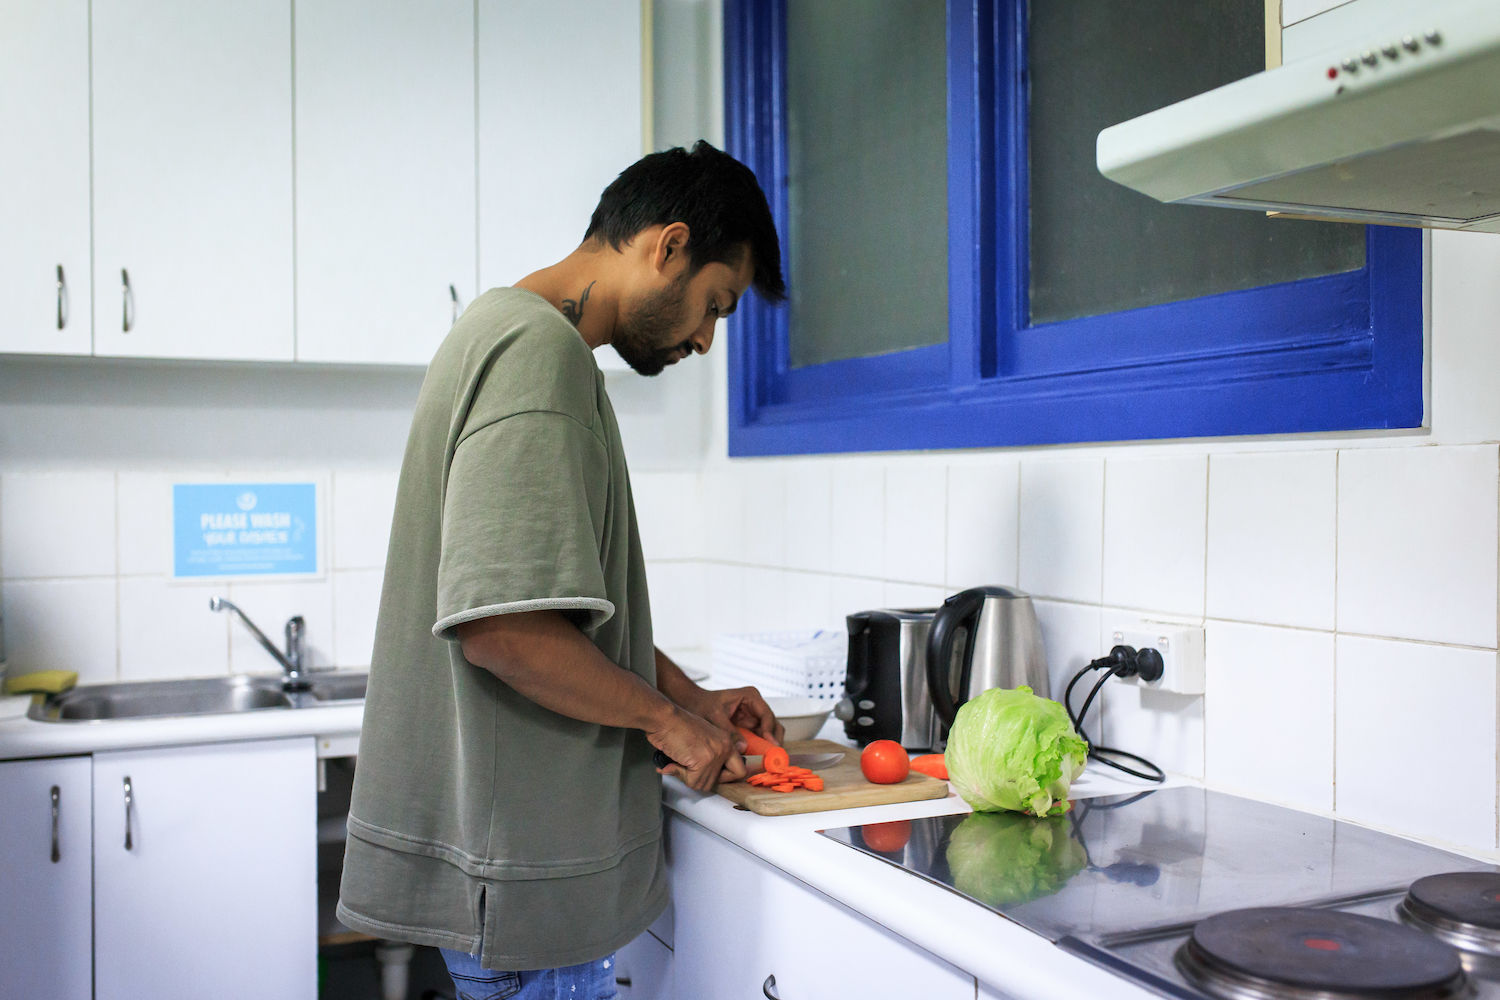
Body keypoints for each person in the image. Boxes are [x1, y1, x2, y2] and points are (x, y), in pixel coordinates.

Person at [336, 141, 789, 999]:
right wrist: (667, 722)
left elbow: (560, 614)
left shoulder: (507, 332)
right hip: (526, 896)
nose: (703, 338)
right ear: (669, 246)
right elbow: (504, 631)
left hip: (516, 887)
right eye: (714, 305)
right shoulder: (536, 355)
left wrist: (691, 699)